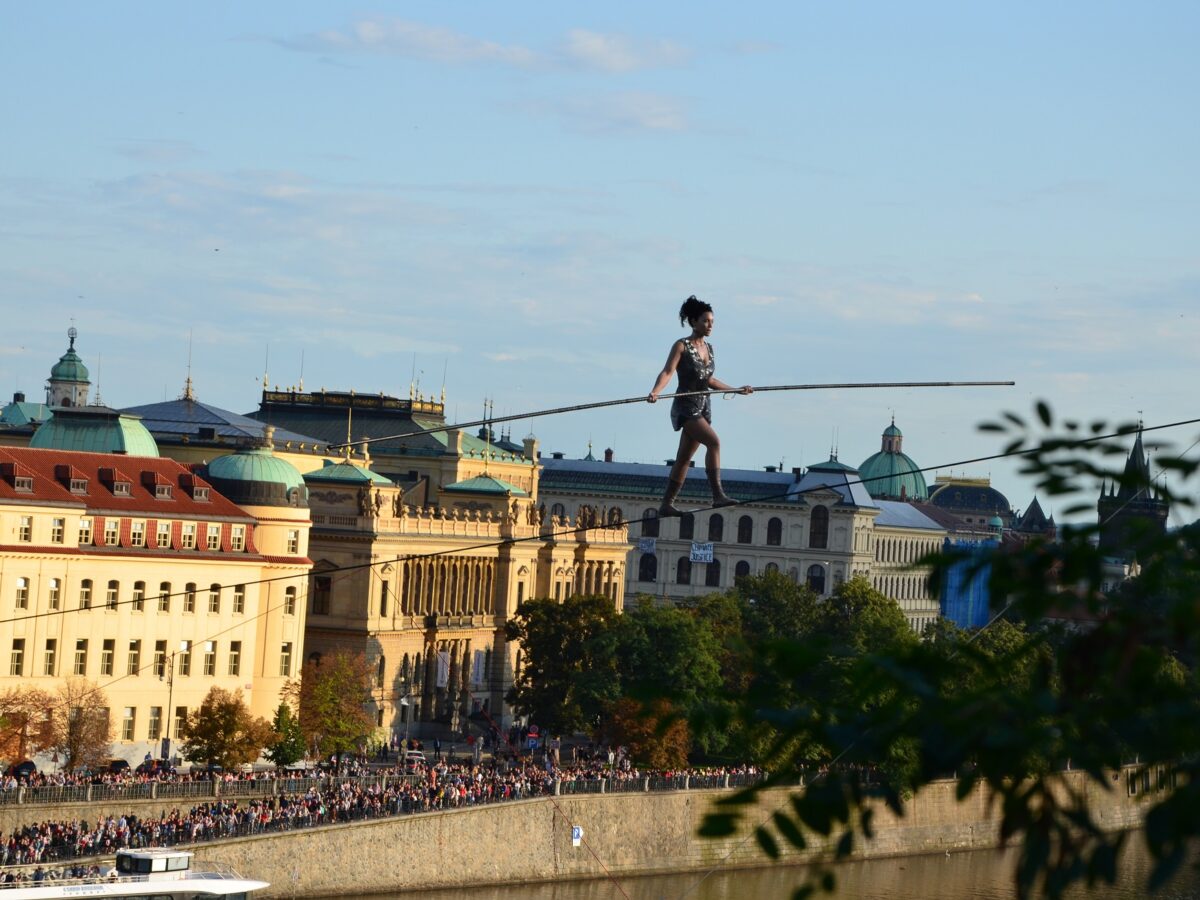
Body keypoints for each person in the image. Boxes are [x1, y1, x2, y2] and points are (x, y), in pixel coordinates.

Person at [648, 295, 752, 516]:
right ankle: (718, 496)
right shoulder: (681, 346)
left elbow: (709, 380)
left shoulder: (710, 348)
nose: (710, 325)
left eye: (712, 321)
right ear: (693, 321)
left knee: (684, 457)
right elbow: (667, 372)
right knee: (714, 442)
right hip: (686, 406)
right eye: (706, 321)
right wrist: (656, 392)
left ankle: (666, 504)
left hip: (704, 407)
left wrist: (735, 390)